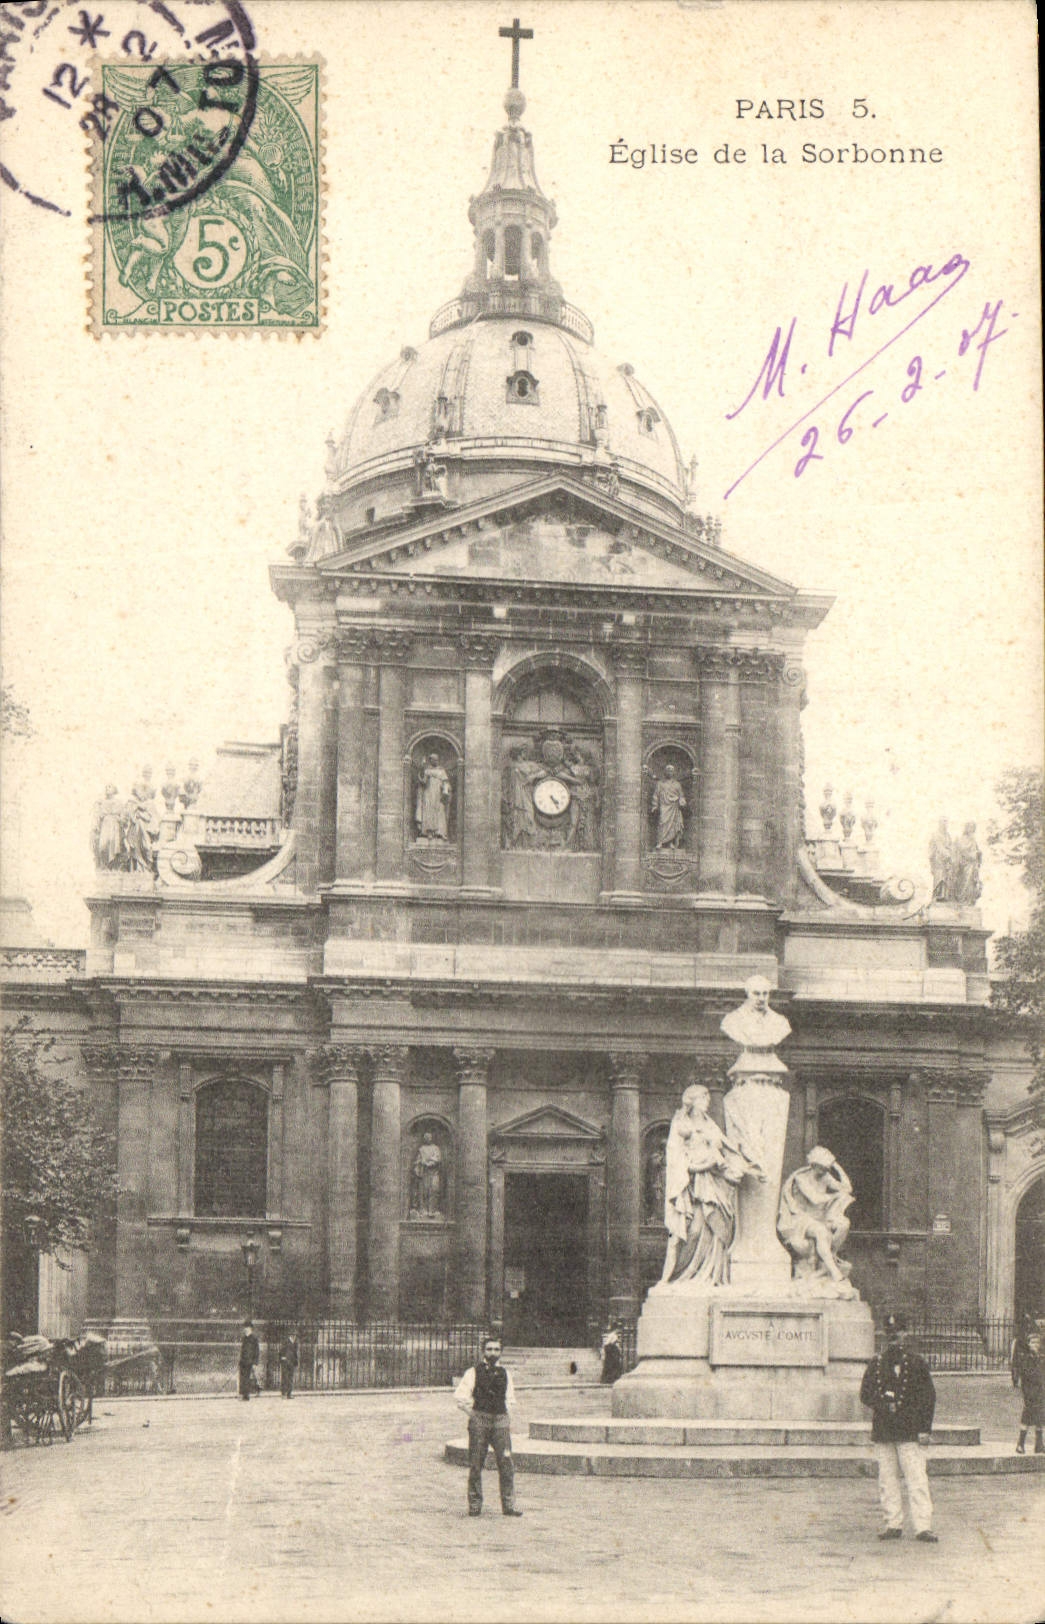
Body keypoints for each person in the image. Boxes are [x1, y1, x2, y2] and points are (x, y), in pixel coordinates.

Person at [660, 1083, 763, 1286]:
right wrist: (708, 1163)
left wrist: (751, 1168)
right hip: (694, 1186)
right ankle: (673, 1277)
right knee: (694, 1230)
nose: (708, 1101)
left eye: (708, 1097)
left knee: (718, 1228)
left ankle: (710, 1277)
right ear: (693, 1101)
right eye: (704, 1097)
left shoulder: (711, 1125)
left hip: (715, 1183)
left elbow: (728, 1151)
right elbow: (678, 1162)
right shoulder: (682, 1125)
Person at [860, 1312, 938, 1541]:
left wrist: (924, 1429)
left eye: (898, 1333)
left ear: (906, 1334)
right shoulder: (876, 1364)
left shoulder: (917, 1363)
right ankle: (893, 1523)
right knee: (887, 1479)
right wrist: (884, 1403)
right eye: (890, 1334)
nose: (894, 1338)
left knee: (917, 1479)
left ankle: (923, 1526)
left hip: (909, 1430)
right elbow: (865, 1394)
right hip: (885, 1429)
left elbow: (928, 1397)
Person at [453, 1335, 522, 1517]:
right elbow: (460, 1397)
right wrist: (474, 1414)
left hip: (500, 1421)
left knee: (506, 1463)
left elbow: (510, 1399)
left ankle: (509, 1505)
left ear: (501, 1352)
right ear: (483, 1351)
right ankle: (475, 1504)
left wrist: (504, 1417)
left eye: (496, 1349)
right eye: (489, 1349)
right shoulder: (473, 1372)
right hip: (480, 1421)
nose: (493, 1353)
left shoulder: (506, 1374)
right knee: (476, 1463)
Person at [777, 1147, 855, 1289]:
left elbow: (847, 1188)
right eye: (821, 1168)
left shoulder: (825, 1176)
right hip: (800, 1219)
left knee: (844, 1224)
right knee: (821, 1231)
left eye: (826, 1168)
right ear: (813, 1165)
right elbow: (815, 1199)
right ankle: (833, 1270)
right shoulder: (801, 1178)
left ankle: (829, 1258)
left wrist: (836, 1166)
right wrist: (835, 1196)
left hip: (819, 1217)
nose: (824, 1171)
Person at [1010, 1316, 1044, 1454]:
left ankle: (1038, 1443)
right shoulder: (1024, 1350)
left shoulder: (1040, 1353)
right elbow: (1020, 1366)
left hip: (1040, 1382)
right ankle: (1022, 1442)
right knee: (1030, 1408)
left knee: (1041, 1409)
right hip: (1029, 1383)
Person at [650, 761, 687, 849]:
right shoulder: (660, 784)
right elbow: (656, 795)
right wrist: (654, 806)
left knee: (673, 824)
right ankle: (660, 842)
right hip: (664, 806)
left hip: (674, 807)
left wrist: (682, 801)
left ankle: (670, 842)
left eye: (671, 770)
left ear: (674, 772)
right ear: (665, 772)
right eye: (668, 770)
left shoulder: (677, 784)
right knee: (662, 822)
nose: (669, 772)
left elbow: (681, 795)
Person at [416, 753, 452, 840]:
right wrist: (421, 768)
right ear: (430, 760)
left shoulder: (441, 771)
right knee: (429, 811)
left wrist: (445, 791)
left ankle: (440, 832)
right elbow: (423, 782)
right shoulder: (427, 770)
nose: (435, 761)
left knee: (440, 811)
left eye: (437, 759)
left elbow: (446, 782)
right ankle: (429, 832)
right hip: (428, 793)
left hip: (438, 794)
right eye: (433, 759)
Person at [238, 1321, 260, 1401]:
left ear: (250, 1328)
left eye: (247, 1327)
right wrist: (240, 1360)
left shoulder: (254, 1338)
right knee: (243, 1378)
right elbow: (243, 1350)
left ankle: (246, 1395)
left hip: (250, 1362)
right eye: (245, 1327)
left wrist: (255, 1362)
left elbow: (256, 1351)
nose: (245, 1329)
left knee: (247, 1378)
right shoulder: (244, 1338)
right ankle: (244, 1394)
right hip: (243, 1361)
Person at [278, 1329, 300, 1400]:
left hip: (292, 1362)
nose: (294, 1337)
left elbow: (296, 1353)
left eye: (295, 1335)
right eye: (293, 1335)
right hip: (285, 1362)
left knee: (290, 1378)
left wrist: (296, 1361)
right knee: (285, 1377)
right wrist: (282, 1358)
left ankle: (289, 1393)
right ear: (290, 1335)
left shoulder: (295, 1343)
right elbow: (281, 1351)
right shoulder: (285, 1342)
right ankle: (283, 1393)